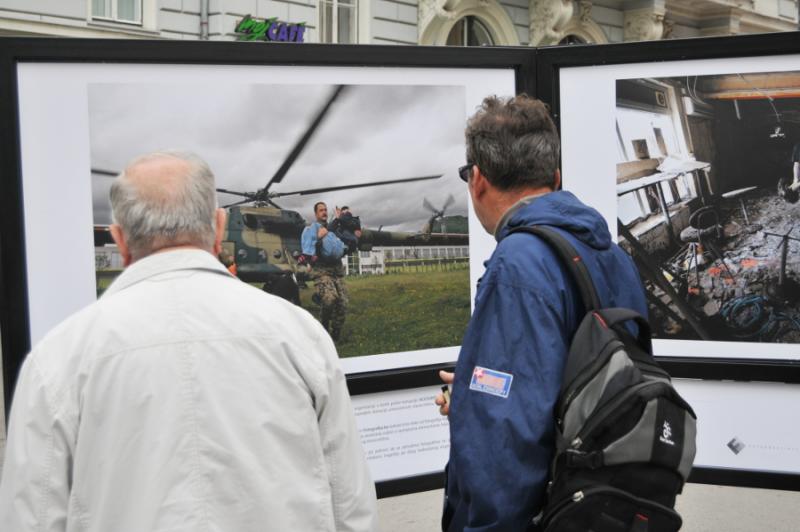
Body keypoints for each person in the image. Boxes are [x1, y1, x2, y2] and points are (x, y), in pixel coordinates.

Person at [0, 151, 377, 532]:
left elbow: (31, 516)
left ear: (118, 238)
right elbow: (351, 505)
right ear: (218, 226)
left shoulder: (55, 360)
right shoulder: (300, 335)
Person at [436, 95, 648, 531]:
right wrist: (476, 390)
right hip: (609, 504)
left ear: (477, 180)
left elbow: (504, 441)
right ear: (553, 177)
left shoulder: (517, 263)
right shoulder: (610, 253)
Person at [301, 201, 350, 341]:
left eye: (325, 210)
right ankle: (323, 327)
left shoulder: (332, 230)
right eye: (321, 210)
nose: (324, 212)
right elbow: (307, 248)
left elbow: (341, 246)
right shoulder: (311, 229)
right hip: (322, 272)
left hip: (337, 271)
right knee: (329, 299)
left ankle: (335, 334)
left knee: (343, 303)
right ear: (316, 213)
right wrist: (318, 238)